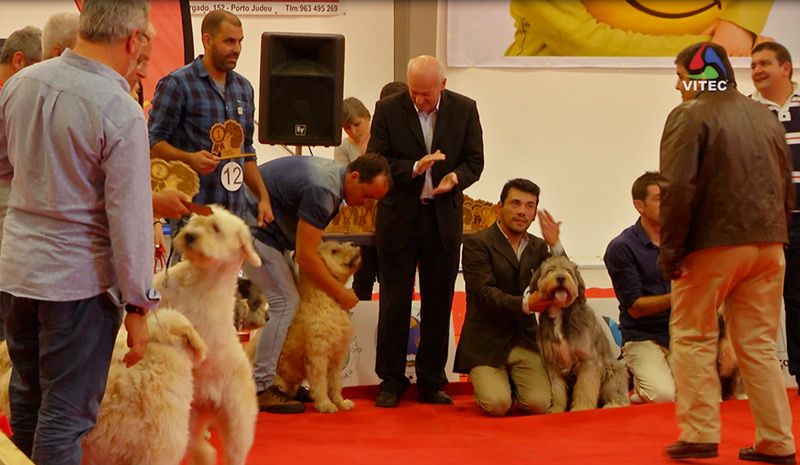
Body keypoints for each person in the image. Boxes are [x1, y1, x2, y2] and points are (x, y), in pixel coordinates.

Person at [0, 1, 156, 463]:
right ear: (132, 40)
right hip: (77, 284)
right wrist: (138, 303)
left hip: (17, 273)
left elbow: (4, 165)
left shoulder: (19, 85)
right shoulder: (120, 110)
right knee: (66, 417)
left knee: (28, 398)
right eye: (144, 40)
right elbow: (128, 220)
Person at [660, 42, 796, 463]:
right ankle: (777, 440)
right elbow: (785, 180)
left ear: (698, 74)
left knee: (693, 335)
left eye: (681, 74)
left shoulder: (688, 114)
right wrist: (779, 234)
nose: (678, 83)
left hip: (713, 243)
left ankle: (700, 433)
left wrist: (671, 250)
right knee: (757, 344)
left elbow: (678, 189)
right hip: (770, 243)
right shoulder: (764, 115)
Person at [368, 55, 484, 408]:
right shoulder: (387, 109)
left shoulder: (465, 109)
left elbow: (475, 161)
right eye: (415, 93)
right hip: (400, 219)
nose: (419, 100)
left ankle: (433, 379)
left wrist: (456, 178)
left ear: (443, 86)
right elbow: (376, 160)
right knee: (394, 302)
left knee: (438, 303)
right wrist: (415, 168)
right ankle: (391, 379)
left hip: (442, 220)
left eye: (426, 94)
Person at [247, 153, 391, 414]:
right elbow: (306, 256)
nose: (366, 205)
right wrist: (341, 293)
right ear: (354, 176)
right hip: (254, 231)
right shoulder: (323, 189)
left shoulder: (332, 182)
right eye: (367, 196)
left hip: (271, 235)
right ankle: (262, 387)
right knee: (286, 303)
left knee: (294, 303)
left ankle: (282, 379)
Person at [148, 10, 272, 232]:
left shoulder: (244, 88)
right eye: (229, 41)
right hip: (194, 215)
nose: (237, 49)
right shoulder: (177, 84)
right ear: (207, 40)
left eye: (240, 41)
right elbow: (152, 143)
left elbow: (247, 151)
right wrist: (190, 159)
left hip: (235, 216)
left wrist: (263, 198)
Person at [455, 178, 562, 416]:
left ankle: (514, 384)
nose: (522, 211)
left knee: (539, 404)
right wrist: (526, 304)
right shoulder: (476, 243)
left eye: (529, 206)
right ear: (499, 206)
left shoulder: (539, 247)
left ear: (534, 214)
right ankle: (495, 384)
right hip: (486, 341)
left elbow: (564, 282)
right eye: (515, 203)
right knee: (497, 405)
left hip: (524, 339)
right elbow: (484, 294)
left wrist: (555, 245)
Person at [750, 41, 800, 394]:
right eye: (753, 65)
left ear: (787, 68)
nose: (757, 70)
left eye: (765, 63)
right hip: (772, 224)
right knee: (785, 303)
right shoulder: (747, 112)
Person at [604, 172, 673, 404]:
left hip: (682, 333)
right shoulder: (622, 248)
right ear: (639, 205)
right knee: (664, 397)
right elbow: (635, 307)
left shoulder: (682, 241)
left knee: (704, 395)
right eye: (659, 198)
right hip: (643, 336)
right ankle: (639, 385)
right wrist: (679, 297)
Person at [505, 0, 773, 57]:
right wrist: (711, 50)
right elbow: (582, 42)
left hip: (710, 80)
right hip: (567, 84)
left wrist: (742, 19)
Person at [334, 97, 371, 166]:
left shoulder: (382, 139)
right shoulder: (342, 147)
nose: (353, 132)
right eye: (347, 128)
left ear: (367, 117)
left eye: (357, 124)